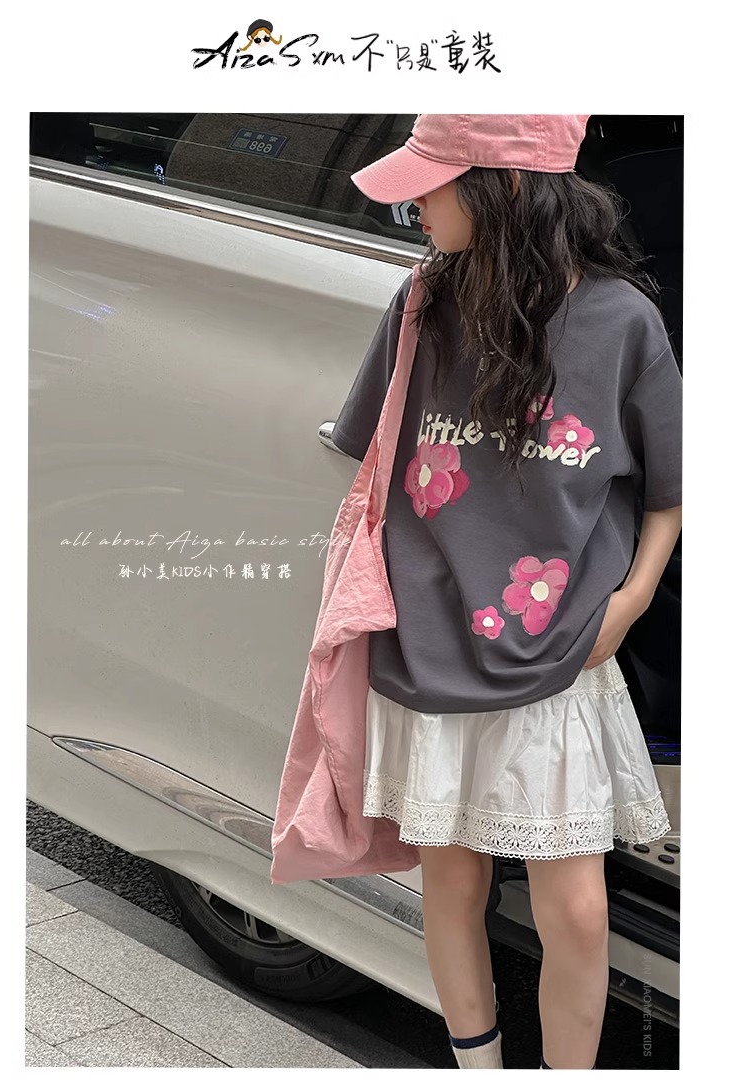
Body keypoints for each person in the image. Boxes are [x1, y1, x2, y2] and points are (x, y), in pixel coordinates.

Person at [329, 115, 682, 1070]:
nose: (415, 203)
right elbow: (368, 455)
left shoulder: (621, 321)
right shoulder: (423, 302)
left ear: (510, 186)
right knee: (451, 877)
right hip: (427, 638)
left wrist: (631, 601)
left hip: (561, 650)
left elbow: (673, 487)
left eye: (433, 182)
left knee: (578, 907)